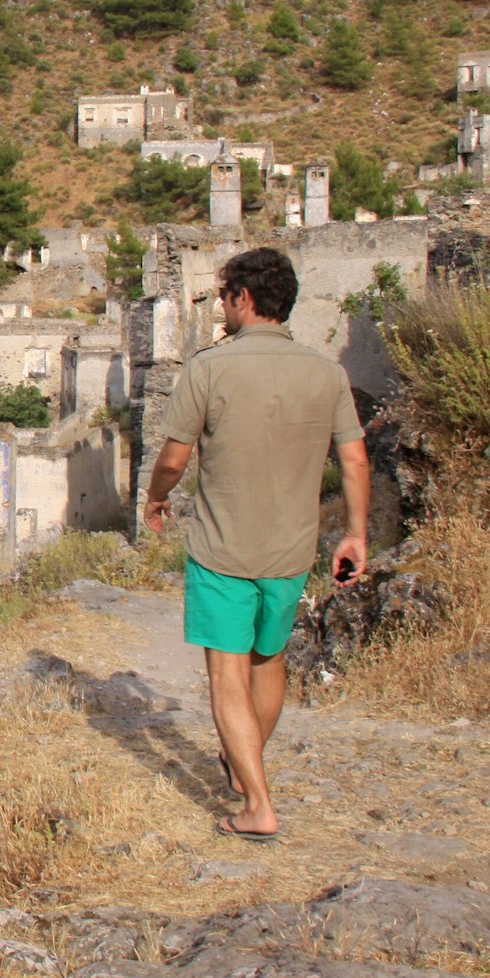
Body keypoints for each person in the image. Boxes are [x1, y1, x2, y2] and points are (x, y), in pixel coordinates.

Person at [142, 248, 369, 842]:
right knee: (269, 662)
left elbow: (172, 457)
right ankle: (245, 772)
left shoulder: (209, 369)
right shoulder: (326, 374)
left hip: (223, 550)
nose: (221, 307)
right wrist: (356, 533)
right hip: (291, 551)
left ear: (242, 299)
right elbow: (353, 459)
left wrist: (155, 497)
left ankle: (257, 805)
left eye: (223, 297)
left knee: (226, 676)